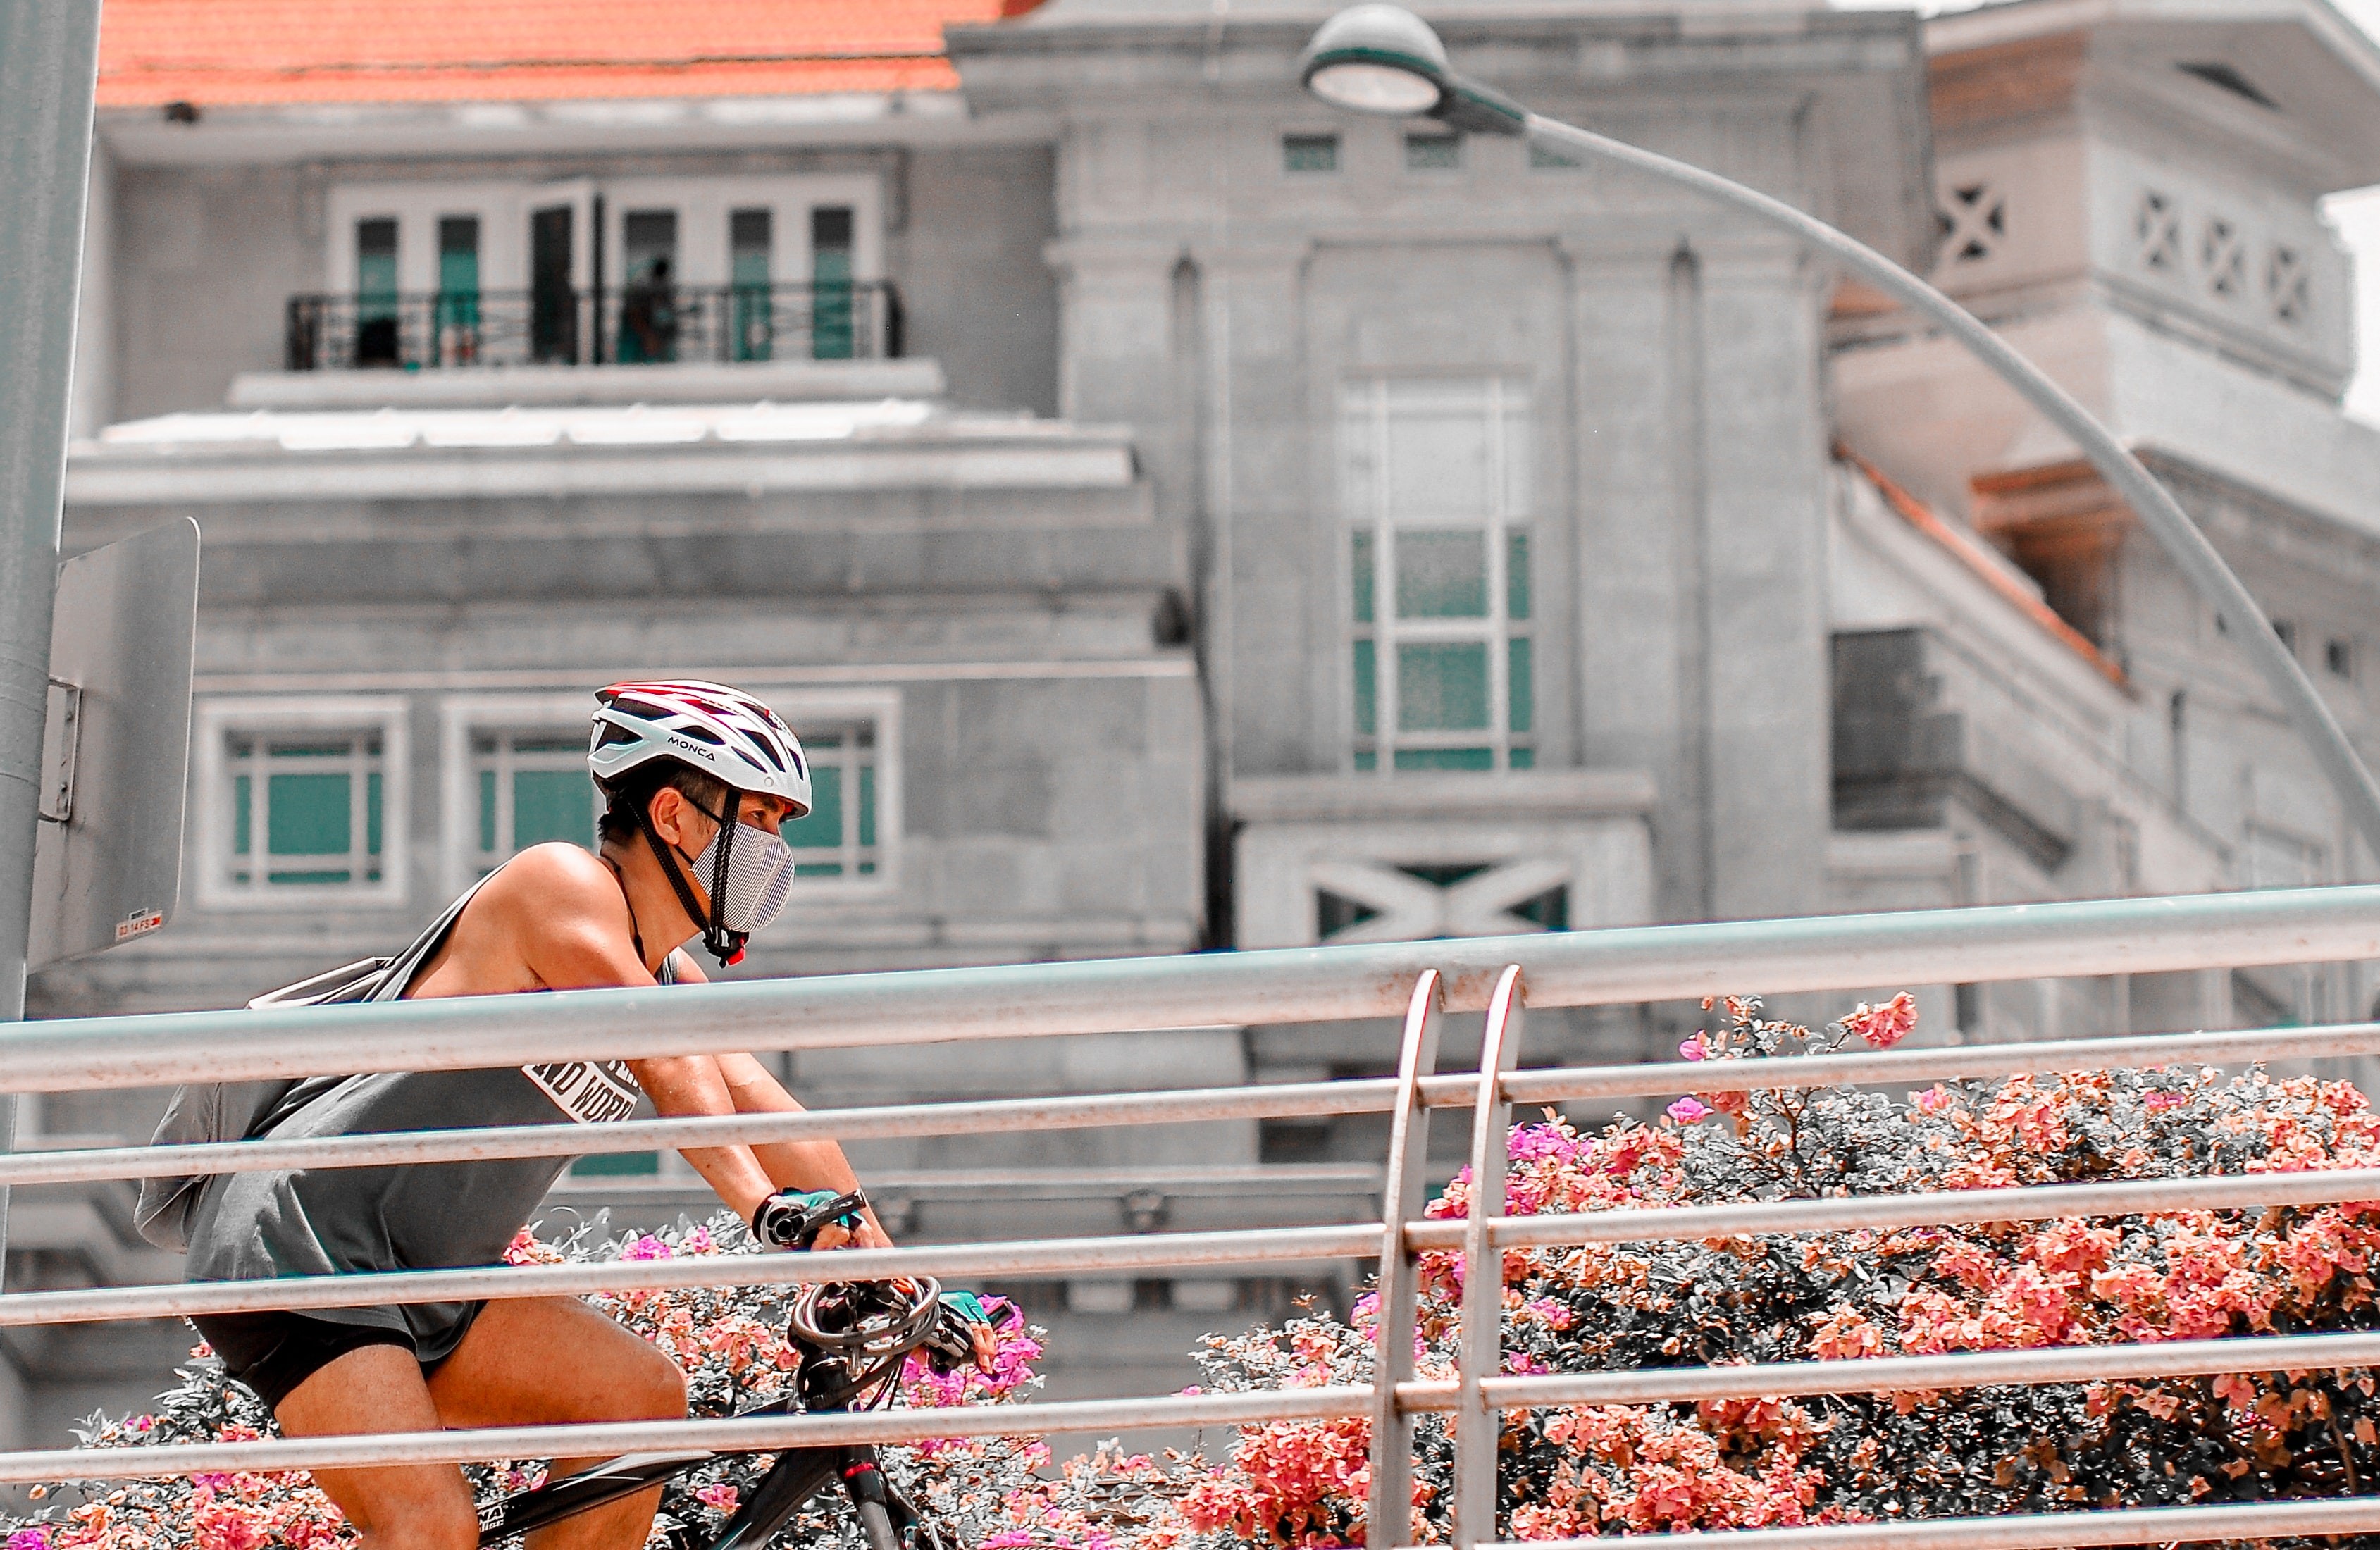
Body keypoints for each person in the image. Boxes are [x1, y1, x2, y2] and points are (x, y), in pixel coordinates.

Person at [182, 681, 964, 1550]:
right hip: (303, 1244)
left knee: (634, 1406)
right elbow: (664, 1056)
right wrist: (764, 1209)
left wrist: (893, 1274)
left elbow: (777, 1115)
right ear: (675, 813)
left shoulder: (670, 978)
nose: (777, 851)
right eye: (765, 821)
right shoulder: (557, 884)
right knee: (428, 1527)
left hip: (427, 1277)